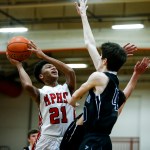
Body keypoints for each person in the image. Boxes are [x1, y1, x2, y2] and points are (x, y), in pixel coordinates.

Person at [61, 0, 150, 150]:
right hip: (99, 137)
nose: (99, 56)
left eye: (101, 55)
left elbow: (89, 43)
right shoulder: (113, 87)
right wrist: (135, 74)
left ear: (104, 60)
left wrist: (72, 100)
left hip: (88, 134)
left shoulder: (100, 77)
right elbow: (89, 43)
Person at [6, 42, 76, 150]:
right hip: (48, 138)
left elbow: (70, 71)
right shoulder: (41, 93)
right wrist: (19, 66)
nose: (53, 68)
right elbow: (28, 85)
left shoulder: (67, 88)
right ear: (41, 76)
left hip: (69, 137)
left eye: (54, 67)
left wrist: (43, 55)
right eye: (49, 67)